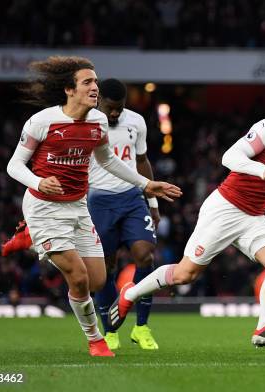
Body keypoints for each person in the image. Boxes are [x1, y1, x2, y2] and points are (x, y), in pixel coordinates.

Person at [108, 89, 265, 347]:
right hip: (225, 209)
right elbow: (230, 157)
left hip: (254, 217)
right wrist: (262, 169)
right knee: (185, 274)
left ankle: (264, 328)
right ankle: (129, 293)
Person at [6, 56, 182, 357]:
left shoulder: (98, 121)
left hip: (78, 207)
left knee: (98, 280)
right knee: (79, 277)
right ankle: (95, 339)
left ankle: (31, 238)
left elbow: (107, 160)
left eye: (96, 82)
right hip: (44, 207)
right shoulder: (42, 122)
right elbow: (14, 165)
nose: (95, 87)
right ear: (69, 90)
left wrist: (145, 184)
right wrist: (37, 182)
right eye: (87, 82)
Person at [88, 78, 160, 351]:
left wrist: (152, 203)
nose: (116, 113)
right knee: (105, 268)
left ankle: (141, 327)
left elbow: (141, 161)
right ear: (99, 102)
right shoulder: (88, 121)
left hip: (132, 198)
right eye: (111, 108)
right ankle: (110, 331)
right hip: (99, 201)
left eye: (120, 108)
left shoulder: (136, 122)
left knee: (145, 255)